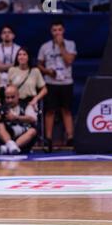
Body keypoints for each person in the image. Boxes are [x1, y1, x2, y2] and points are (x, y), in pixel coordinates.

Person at [37, 20, 77, 152]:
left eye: (59, 30)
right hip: (51, 82)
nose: (57, 32)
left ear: (63, 31)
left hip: (66, 82)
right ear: (51, 32)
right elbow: (39, 65)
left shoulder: (70, 44)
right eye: (55, 30)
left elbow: (69, 60)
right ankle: (48, 138)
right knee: (50, 110)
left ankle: (70, 137)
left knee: (66, 110)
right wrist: (48, 71)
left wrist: (61, 46)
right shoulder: (45, 47)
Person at [0, 85, 37, 154]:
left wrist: (17, 117)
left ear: (18, 96)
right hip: (7, 136)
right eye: (7, 98)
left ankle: (10, 147)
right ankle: (11, 145)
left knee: (33, 131)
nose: (10, 100)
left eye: (12, 97)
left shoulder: (26, 105)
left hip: (23, 135)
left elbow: (33, 119)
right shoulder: (0, 108)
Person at [0, 25, 21, 90]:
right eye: (4, 32)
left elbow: (20, 66)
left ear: (13, 35)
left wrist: (2, 66)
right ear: (1, 35)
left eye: (9, 32)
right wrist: (13, 64)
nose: (7, 34)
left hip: (16, 80)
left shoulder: (19, 49)